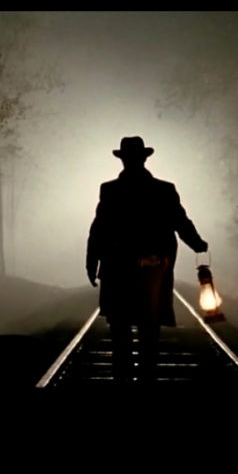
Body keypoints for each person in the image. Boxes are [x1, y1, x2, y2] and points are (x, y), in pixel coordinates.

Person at [87, 136, 208, 385]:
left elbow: (99, 228)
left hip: (117, 267)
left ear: (123, 159)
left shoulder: (110, 189)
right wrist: (198, 244)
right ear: (144, 158)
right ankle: (146, 378)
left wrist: (92, 261)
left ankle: (123, 378)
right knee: (149, 323)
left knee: (120, 325)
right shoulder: (164, 189)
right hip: (152, 267)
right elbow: (180, 222)